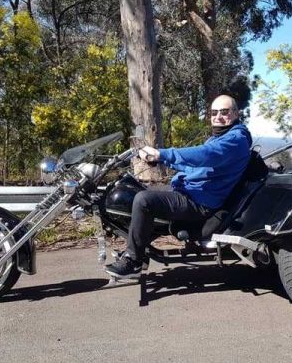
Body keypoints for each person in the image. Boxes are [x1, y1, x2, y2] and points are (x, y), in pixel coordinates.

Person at [105, 94, 253, 279]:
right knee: (140, 193)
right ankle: (138, 251)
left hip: (201, 202)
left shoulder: (235, 140)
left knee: (143, 200)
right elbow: (196, 165)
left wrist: (163, 154)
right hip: (191, 192)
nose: (218, 116)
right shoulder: (221, 137)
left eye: (224, 112)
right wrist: (161, 161)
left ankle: (134, 261)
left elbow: (205, 155)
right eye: (214, 112)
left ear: (236, 113)